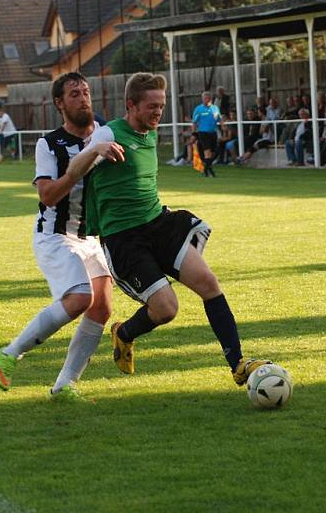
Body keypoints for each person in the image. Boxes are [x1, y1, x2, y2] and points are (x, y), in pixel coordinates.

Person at [79, 72, 270, 388]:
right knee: (167, 309)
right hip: (124, 238)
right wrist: (93, 154)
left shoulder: (150, 132)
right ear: (131, 105)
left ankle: (238, 364)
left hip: (159, 224)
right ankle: (124, 333)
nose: (158, 112)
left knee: (208, 282)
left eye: (162, 106)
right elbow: (78, 170)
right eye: (152, 106)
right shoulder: (107, 135)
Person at [0, 71, 124, 402]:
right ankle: (9, 354)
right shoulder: (48, 144)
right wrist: (84, 162)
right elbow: (48, 196)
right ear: (59, 103)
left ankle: (65, 385)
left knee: (102, 308)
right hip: (55, 234)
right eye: (74, 94)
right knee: (80, 298)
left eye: (86, 92)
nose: (83, 98)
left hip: (89, 237)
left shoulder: (105, 133)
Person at [192, 91, 220, 177]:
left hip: (213, 132)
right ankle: (210, 171)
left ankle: (206, 168)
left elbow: (219, 119)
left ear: (210, 99)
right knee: (207, 152)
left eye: (207, 98)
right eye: (203, 98)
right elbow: (194, 122)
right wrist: (194, 133)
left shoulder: (215, 108)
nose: (205, 100)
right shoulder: (198, 109)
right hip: (203, 132)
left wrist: (221, 123)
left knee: (214, 152)